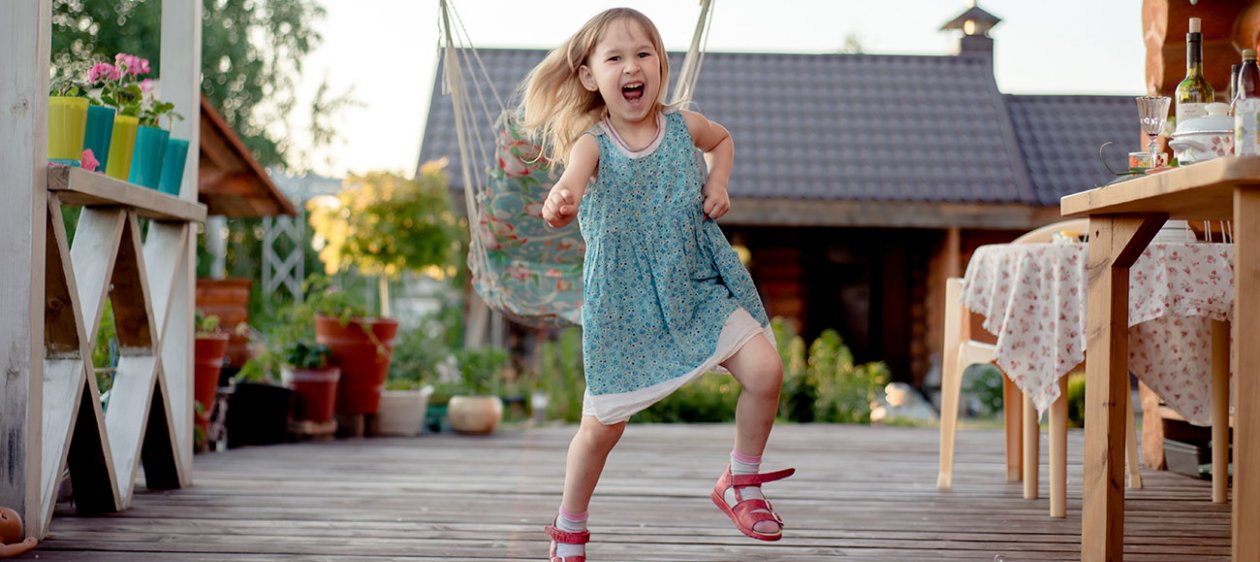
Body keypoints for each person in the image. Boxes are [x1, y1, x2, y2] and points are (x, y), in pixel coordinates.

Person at [519, 7, 794, 561]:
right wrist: (561, 200)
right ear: (590, 76)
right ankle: (569, 525)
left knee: (767, 370)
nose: (632, 66)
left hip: (693, 281)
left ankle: (741, 481)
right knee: (601, 430)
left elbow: (723, 141)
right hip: (623, 305)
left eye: (643, 53)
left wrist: (719, 180)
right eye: (615, 57)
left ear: (661, 65)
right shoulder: (592, 145)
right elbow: (570, 183)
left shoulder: (685, 126)